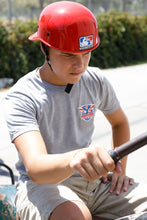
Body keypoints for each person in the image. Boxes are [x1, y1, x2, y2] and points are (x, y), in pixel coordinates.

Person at [2, 1, 147, 220]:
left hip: (94, 184)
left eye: (86, 54)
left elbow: (119, 123)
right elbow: (35, 167)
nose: (80, 65)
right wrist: (76, 158)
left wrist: (119, 172)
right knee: (74, 216)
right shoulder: (23, 95)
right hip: (43, 186)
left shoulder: (95, 80)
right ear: (45, 48)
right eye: (68, 55)